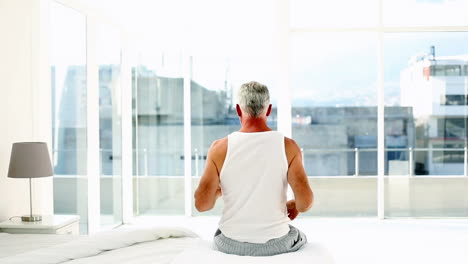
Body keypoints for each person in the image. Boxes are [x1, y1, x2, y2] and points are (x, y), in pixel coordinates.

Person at [194, 81, 314, 256]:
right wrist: (295, 205)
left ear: (238, 110)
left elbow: (202, 205)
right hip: (276, 243)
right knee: (298, 235)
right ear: (269, 109)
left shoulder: (219, 148)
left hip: (230, 243)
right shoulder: (288, 147)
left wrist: (220, 191)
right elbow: (305, 203)